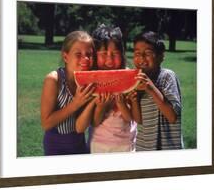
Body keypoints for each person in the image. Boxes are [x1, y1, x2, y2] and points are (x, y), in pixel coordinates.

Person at [40, 30, 96, 155]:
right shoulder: (54, 80)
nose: (85, 58)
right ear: (66, 57)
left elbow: (82, 126)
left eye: (89, 54)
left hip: (80, 144)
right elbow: (46, 123)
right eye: (78, 54)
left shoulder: (89, 81)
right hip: (56, 147)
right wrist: (75, 104)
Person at [128, 31, 183, 151]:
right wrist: (135, 101)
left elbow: (172, 116)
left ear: (161, 56)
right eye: (137, 53)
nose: (141, 58)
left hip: (168, 149)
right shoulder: (136, 81)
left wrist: (151, 88)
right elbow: (138, 120)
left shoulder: (167, 76)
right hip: (144, 148)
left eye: (148, 53)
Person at [87, 25, 138, 153]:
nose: (109, 60)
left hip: (126, 144)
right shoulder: (91, 78)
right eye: (103, 54)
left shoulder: (128, 75)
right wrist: (101, 106)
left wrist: (121, 104)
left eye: (115, 54)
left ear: (122, 54)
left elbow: (129, 118)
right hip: (99, 144)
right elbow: (94, 122)